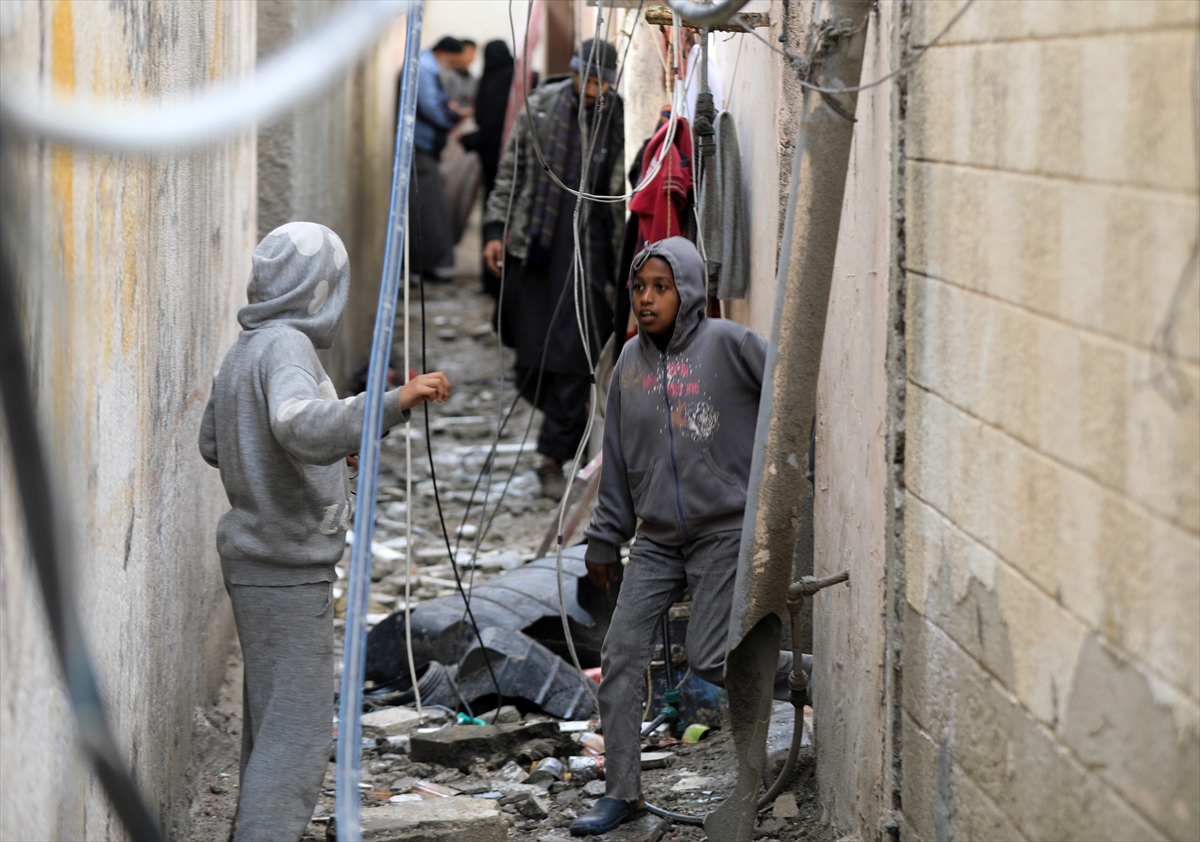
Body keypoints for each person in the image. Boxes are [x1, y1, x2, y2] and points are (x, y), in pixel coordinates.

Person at [198, 221, 450, 841]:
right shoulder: (285, 347)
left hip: (258, 564)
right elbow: (296, 424)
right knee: (301, 732)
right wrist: (391, 402)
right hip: (283, 565)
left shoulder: (246, 348)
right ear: (317, 288)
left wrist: (315, 454)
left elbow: (214, 441)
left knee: (273, 719)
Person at [569, 238, 796, 837]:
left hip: (725, 531)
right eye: (639, 288)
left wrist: (786, 481)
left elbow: (789, 397)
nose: (646, 299)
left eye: (660, 288)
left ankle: (798, 676)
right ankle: (623, 793)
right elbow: (615, 460)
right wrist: (603, 540)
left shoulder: (730, 345)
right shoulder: (628, 366)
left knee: (711, 656)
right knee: (619, 657)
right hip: (656, 540)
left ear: (688, 292)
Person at [482, 38, 625, 500]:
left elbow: (619, 186)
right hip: (537, 248)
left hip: (590, 251)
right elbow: (511, 172)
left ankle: (551, 455)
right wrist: (494, 228)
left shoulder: (616, 115)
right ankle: (569, 429)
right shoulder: (541, 108)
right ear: (575, 70)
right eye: (588, 78)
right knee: (530, 355)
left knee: (573, 357)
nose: (593, 88)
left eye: (602, 81)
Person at [461, 40, 515, 305]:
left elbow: (487, 122)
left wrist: (475, 141)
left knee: (493, 217)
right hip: (513, 163)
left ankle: (491, 279)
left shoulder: (490, 81)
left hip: (493, 163)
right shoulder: (518, 78)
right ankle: (506, 279)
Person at [410, 36, 467, 282]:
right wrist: (452, 119)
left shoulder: (426, 67)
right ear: (445, 54)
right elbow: (429, 106)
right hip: (420, 147)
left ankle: (426, 266)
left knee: (430, 209)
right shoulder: (424, 68)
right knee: (428, 210)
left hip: (425, 147)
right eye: (453, 61)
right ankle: (423, 267)